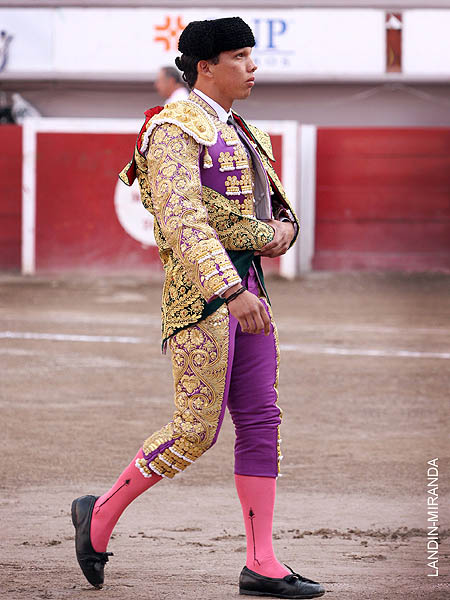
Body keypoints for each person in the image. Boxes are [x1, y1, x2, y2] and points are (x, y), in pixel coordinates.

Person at [71, 16, 326, 600]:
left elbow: (277, 216)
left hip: (249, 291)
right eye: (240, 57)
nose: (253, 66)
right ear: (206, 67)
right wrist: (233, 288)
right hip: (203, 299)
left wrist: (279, 235)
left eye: (251, 55)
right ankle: (99, 514)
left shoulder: (246, 131)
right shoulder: (171, 128)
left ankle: (261, 563)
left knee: (261, 420)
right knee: (195, 430)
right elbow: (183, 222)